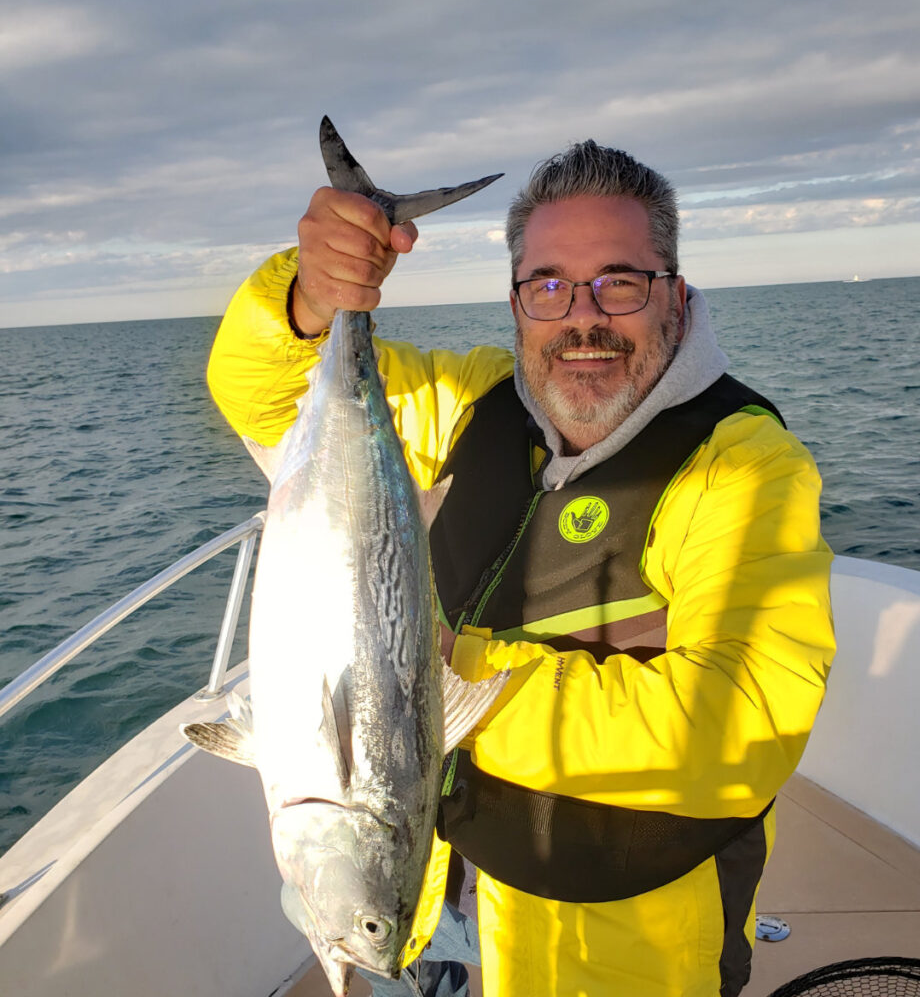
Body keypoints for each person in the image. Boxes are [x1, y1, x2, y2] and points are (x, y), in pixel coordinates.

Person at [207, 140, 835, 997]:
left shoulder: (746, 463)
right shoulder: (473, 401)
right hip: (437, 880)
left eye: (621, 281)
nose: (583, 318)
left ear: (677, 298)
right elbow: (267, 397)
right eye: (548, 286)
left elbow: (742, 723)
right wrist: (309, 297)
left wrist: (426, 696)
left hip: (612, 941)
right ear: (516, 305)